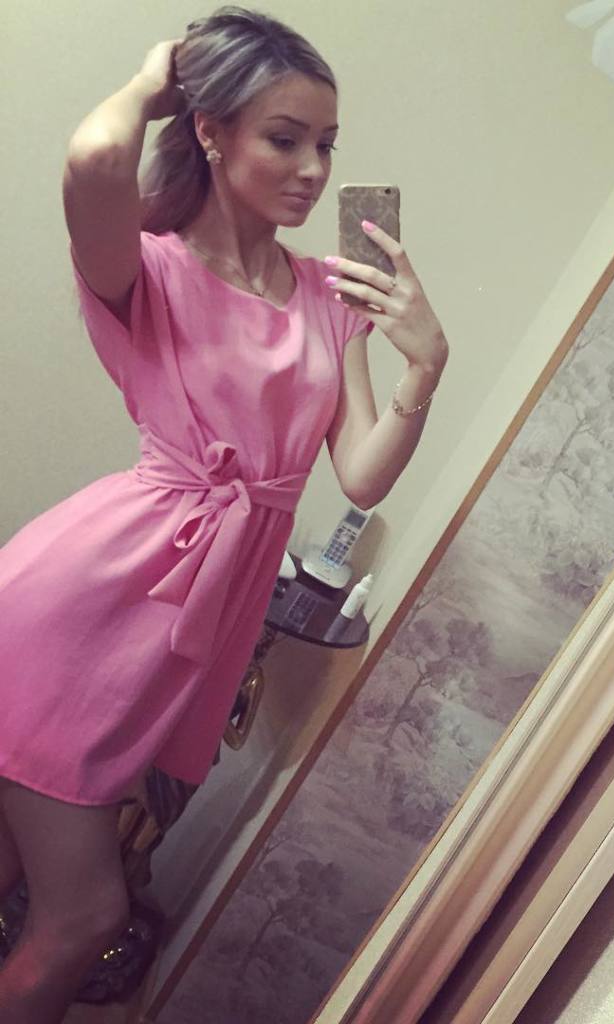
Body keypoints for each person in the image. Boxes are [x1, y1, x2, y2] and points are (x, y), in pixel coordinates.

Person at [0, 6, 448, 1020]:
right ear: (209, 130)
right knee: (83, 915)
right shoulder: (146, 263)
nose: (313, 170)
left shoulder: (329, 293)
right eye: (284, 138)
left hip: (173, 637)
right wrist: (148, 82)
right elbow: (92, 158)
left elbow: (361, 474)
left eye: (326, 144)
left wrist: (424, 370)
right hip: (86, 604)